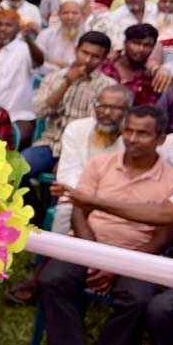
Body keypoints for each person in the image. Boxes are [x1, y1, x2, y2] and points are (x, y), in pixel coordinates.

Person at [36, 106, 173, 345]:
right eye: (128, 130)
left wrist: (119, 266)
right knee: (52, 279)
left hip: (138, 258)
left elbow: (162, 238)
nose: (132, 138)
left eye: (143, 133)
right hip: (90, 246)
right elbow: (79, 212)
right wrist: (98, 257)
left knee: (139, 300)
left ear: (160, 139)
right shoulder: (100, 164)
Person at [24, 31, 117, 179]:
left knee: (68, 178)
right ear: (76, 50)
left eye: (95, 56)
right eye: (84, 53)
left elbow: (97, 126)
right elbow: (39, 111)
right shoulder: (54, 77)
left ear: (104, 59)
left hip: (84, 149)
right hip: (50, 144)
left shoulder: (108, 87)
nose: (88, 60)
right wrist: (67, 82)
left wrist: (66, 160)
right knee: (18, 169)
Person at [49, 85, 131, 235]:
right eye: (102, 106)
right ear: (94, 107)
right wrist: (86, 198)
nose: (107, 112)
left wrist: (99, 201)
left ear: (127, 112)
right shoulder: (76, 129)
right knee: (66, 209)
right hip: (77, 196)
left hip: (115, 202)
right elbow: (67, 175)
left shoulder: (132, 139)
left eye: (115, 108)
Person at [0, 8, 40, 136]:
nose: (3, 29)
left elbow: (39, 61)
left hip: (18, 117)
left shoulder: (25, 50)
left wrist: (28, 39)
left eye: (8, 25)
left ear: (17, 29)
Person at [100, 23, 160, 107]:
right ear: (125, 43)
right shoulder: (105, 66)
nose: (141, 49)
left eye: (147, 45)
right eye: (136, 43)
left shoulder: (149, 78)